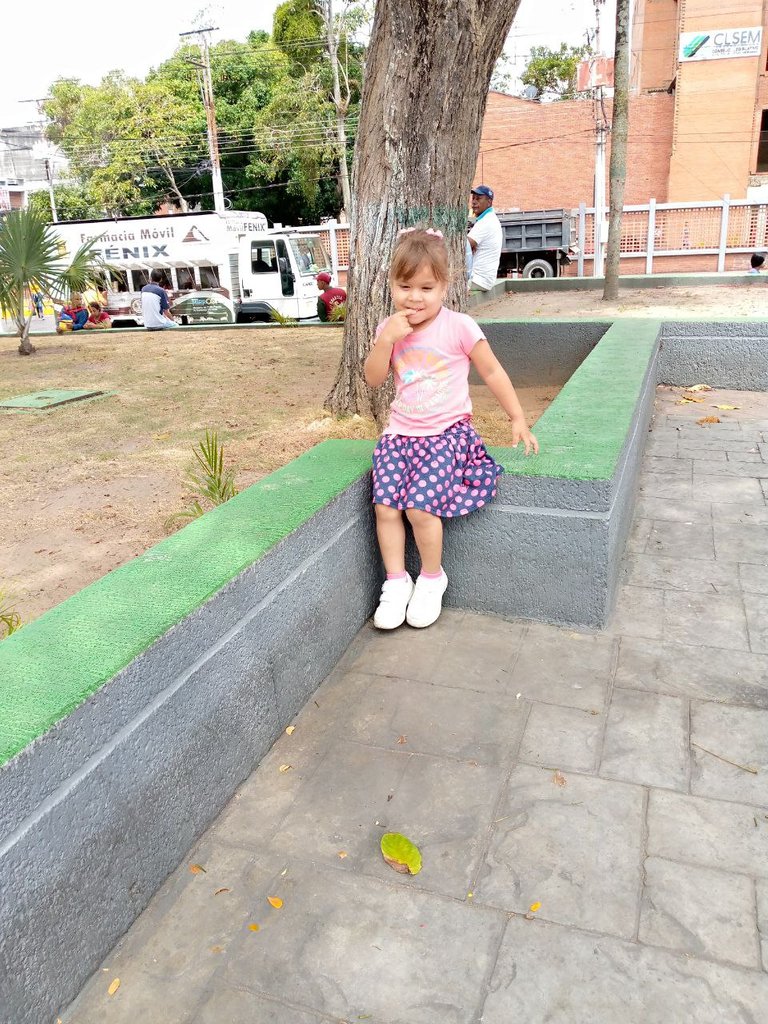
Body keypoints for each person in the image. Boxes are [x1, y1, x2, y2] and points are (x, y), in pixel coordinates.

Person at [364, 227, 539, 631]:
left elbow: (492, 371)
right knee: (385, 508)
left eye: (426, 287)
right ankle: (395, 582)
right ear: (391, 284)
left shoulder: (460, 326)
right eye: (405, 286)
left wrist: (517, 417)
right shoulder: (390, 329)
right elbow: (374, 379)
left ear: (445, 286)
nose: (414, 297)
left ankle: (430, 578)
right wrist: (385, 341)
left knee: (419, 508)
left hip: (447, 434)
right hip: (400, 435)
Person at [468, 185, 503, 292]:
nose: (474, 202)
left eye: (478, 199)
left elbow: (463, 246)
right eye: (473, 198)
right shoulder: (488, 219)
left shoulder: (486, 221)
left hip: (478, 280)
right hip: (481, 279)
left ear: (489, 202)